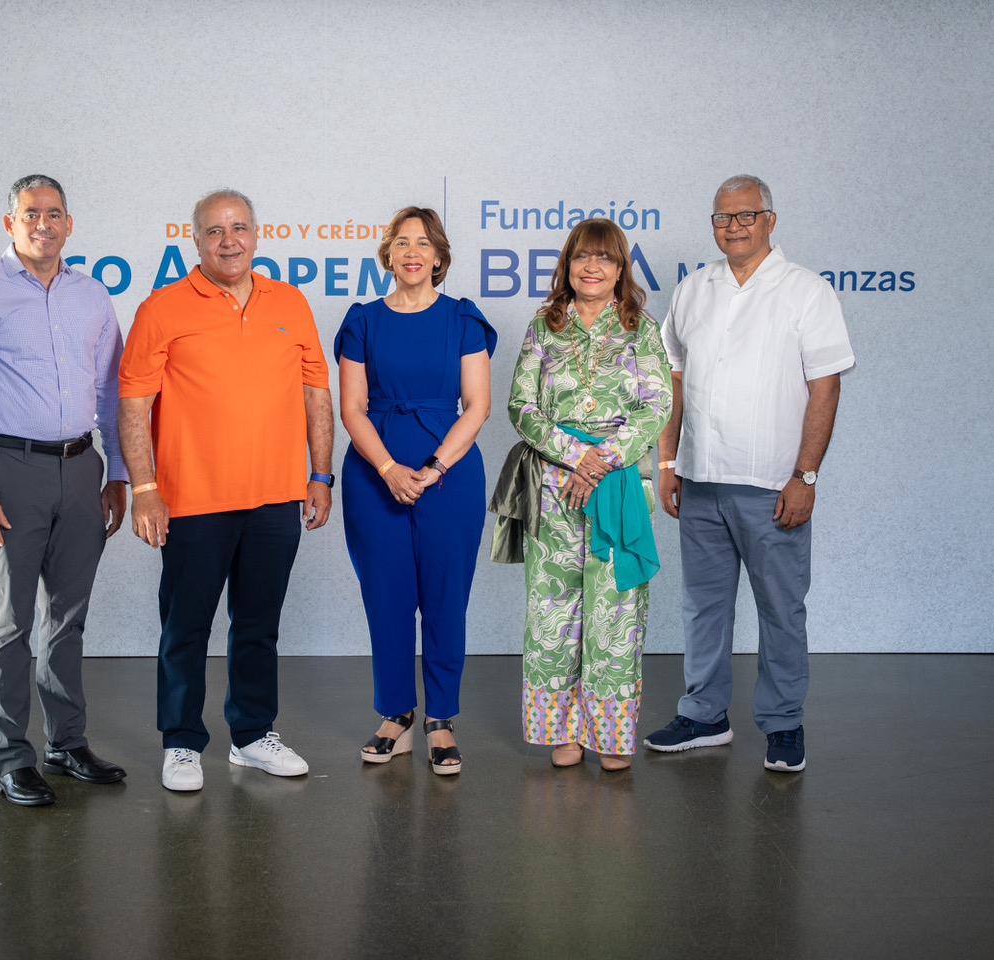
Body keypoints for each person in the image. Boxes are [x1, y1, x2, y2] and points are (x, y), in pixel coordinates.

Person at [118, 189, 334, 790]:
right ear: (195, 240)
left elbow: (316, 393)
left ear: (257, 235)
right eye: (214, 231)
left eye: (238, 227)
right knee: (185, 627)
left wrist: (320, 474)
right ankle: (181, 741)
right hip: (193, 500)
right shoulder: (161, 308)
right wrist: (144, 488)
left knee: (258, 625)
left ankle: (252, 734)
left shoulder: (290, 302)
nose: (228, 240)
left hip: (275, 497)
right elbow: (133, 404)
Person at [644, 175, 855, 773]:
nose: (733, 226)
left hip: (772, 485)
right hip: (700, 480)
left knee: (781, 609)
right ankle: (704, 714)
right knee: (703, 608)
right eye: (723, 217)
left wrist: (805, 477)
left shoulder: (806, 291)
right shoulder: (693, 290)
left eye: (746, 215)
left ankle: (783, 723)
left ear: (770, 220)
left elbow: (826, 387)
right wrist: (668, 463)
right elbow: (672, 381)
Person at [0, 174, 128, 806]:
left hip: (82, 467)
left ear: (69, 223)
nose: (43, 223)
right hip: (11, 471)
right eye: (30, 213)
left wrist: (119, 472)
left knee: (69, 616)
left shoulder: (92, 295)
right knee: (13, 621)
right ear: (9, 223)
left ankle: (66, 744)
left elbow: (110, 391)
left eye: (54, 213)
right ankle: (11, 756)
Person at [502, 218, 672, 771]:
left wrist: (602, 460)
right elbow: (520, 406)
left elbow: (657, 406)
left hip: (619, 484)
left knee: (616, 611)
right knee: (553, 609)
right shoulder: (544, 326)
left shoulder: (641, 329)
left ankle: (610, 737)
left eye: (604, 258)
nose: (591, 267)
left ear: (621, 269)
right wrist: (576, 456)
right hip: (554, 486)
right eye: (581, 257)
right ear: (567, 266)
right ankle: (562, 733)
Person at [335, 206, 495, 776]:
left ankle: (441, 720)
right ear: (387, 254)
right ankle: (396, 716)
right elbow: (352, 408)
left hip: (450, 476)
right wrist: (387, 468)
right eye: (401, 242)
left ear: (439, 256)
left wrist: (432, 468)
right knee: (387, 598)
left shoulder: (462, 318)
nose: (411, 252)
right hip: (373, 474)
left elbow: (477, 406)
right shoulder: (362, 320)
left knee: (446, 598)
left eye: (423, 243)